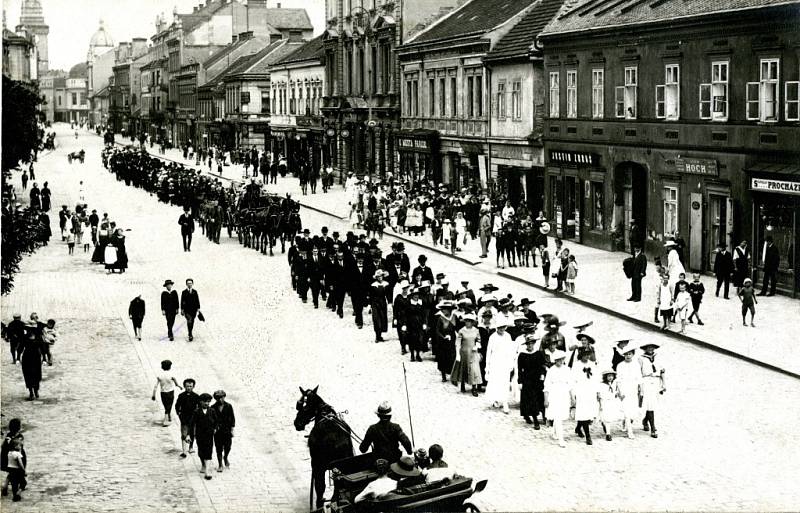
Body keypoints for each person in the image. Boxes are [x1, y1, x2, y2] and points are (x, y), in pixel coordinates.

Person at [485, 320, 515, 414]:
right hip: (495, 362)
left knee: (505, 382)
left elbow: (511, 350)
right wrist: (487, 366)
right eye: (500, 327)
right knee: (496, 381)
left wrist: (511, 363)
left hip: (505, 362)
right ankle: (496, 399)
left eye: (503, 327)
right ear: (496, 328)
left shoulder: (508, 336)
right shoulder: (492, 337)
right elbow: (488, 352)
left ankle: (505, 403)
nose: (502, 329)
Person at [450, 313, 482, 396]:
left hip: (473, 352)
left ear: (472, 322)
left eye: (470, 321)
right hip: (464, 351)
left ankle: (474, 388)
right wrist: (458, 353)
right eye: (466, 321)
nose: (468, 323)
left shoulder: (476, 330)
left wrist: (477, 346)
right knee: (464, 368)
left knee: (474, 369)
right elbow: (458, 343)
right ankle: (463, 384)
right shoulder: (461, 331)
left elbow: (478, 340)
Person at [543, 350, 571, 447]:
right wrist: (546, 399)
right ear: (555, 360)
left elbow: (570, 384)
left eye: (561, 359)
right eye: (557, 360)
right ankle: (561, 439)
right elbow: (546, 385)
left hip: (564, 394)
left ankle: (555, 433)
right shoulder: (551, 370)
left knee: (560, 416)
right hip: (554, 394)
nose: (560, 361)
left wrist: (572, 397)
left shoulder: (567, 370)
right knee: (557, 416)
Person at [639, 342, 665, 438]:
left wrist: (664, 384)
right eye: (648, 347)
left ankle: (645, 420)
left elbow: (662, 371)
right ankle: (653, 428)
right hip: (646, 381)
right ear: (645, 348)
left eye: (652, 347)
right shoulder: (641, 358)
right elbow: (639, 372)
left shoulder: (658, 357)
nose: (650, 349)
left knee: (652, 404)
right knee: (649, 403)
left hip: (656, 381)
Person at [615, 345, 641, 439]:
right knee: (626, 410)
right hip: (624, 389)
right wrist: (619, 391)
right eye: (626, 354)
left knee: (633, 410)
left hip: (633, 389)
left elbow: (639, 378)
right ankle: (630, 431)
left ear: (633, 354)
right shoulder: (620, 365)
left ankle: (625, 423)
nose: (628, 356)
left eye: (630, 354)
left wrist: (640, 389)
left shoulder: (636, 365)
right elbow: (618, 379)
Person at [193, 393, 217, 480]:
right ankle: (203, 464)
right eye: (205, 402)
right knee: (201, 451)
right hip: (200, 435)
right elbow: (192, 424)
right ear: (200, 402)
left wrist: (215, 429)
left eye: (208, 402)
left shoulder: (212, 411)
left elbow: (216, 422)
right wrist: (190, 435)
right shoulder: (196, 412)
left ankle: (207, 471)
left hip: (209, 435)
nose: (207, 403)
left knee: (209, 451)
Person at [151, 360, 183, 427]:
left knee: (165, 405)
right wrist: (179, 386)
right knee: (169, 405)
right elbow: (176, 383)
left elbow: (155, 386)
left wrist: (153, 395)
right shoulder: (172, 375)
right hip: (170, 392)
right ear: (170, 367)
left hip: (163, 393)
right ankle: (166, 419)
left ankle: (168, 416)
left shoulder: (159, 376)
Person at [1, 419, 26, 499]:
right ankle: (19, 489)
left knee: (10, 472)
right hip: (16, 458)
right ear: (19, 427)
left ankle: (5, 486)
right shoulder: (20, 436)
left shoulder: (8, 435)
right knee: (17, 473)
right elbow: (20, 448)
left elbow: (3, 446)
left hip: (8, 456)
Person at [175, 378, 199, 458]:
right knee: (184, 433)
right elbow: (177, 405)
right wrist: (178, 413)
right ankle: (184, 451)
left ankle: (191, 447)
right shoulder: (181, 396)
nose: (189, 388)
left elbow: (198, 407)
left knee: (192, 433)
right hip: (184, 417)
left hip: (193, 417)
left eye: (191, 386)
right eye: (187, 386)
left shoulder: (196, 396)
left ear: (193, 387)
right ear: (184, 386)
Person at [212, 390, 235, 472]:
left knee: (228, 447)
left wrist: (232, 429)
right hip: (217, 432)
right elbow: (211, 419)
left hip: (227, 430)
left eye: (222, 397)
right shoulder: (213, 407)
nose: (220, 400)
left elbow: (232, 418)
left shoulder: (229, 406)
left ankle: (225, 457)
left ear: (224, 397)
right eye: (218, 398)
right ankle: (220, 464)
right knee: (218, 448)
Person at [19, 322, 42, 400]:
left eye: (31, 329)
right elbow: (20, 348)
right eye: (29, 329)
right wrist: (18, 358)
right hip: (27, 358)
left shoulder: (38, 337)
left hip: (36, 358)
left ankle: (36, 391)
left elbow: (42, 348)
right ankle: (31, 392)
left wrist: (44, 358)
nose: (30, 331)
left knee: (36, 375)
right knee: (28, 375)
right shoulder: (24, 337)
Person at [598, 370, 623, 441]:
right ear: (605, 377)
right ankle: (608, 434)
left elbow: (616, 392)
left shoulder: (614, 384)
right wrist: (600, 404)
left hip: (612, 402)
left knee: (611, 417)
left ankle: (604, 424)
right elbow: (600, 395)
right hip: (605, 402)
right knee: (607, 418)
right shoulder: (602, 385)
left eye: (612, 376)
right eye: (608, 376)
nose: (610, 378)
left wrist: (618, 395)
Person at [371, 271, 390, 342]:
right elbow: (371, 296)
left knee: (382, 318)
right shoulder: (373, 285)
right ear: (376, 278)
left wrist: (390, 302)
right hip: (375, 303)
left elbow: (388, 294)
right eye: (378, 277)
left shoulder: (386, 284)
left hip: (382, 303)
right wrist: (370, 306)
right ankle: (377, 336)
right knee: (376, 319)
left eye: (381, 276)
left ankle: (380, 335)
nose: (380, 278)